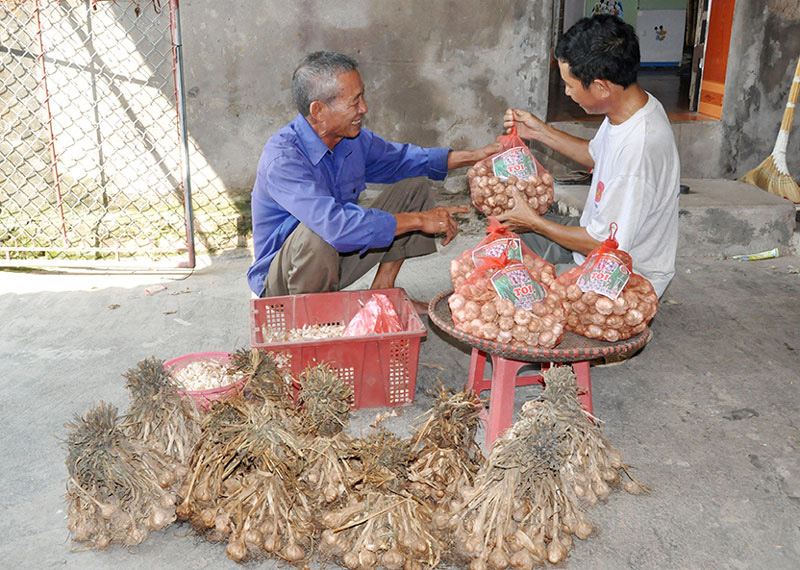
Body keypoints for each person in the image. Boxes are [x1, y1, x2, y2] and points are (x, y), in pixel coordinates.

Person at [247, 51, 501, 308]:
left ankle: (383, 293)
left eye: (362, 96)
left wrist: (474, 156)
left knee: (415, 189)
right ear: (319, 110)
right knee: (320, 231)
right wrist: (420, 220)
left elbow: (404, 160)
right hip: (285, 283)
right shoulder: (283, 159)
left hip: (335, 260)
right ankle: (312, 320)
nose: (364, 108)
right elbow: (335, 227)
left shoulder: (352, 139)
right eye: (354, 101)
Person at [497, 14, 680, 297]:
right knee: (499, 246)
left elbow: (604, 244)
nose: (567, 93)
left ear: (601, 87)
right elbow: (597, 155)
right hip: (594, 241)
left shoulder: (639, 149)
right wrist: (540, 132)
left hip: (620, 275)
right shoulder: (630, 107)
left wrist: (534, 222)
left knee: (504, 288)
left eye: (570, 85)